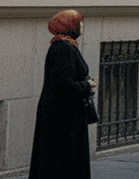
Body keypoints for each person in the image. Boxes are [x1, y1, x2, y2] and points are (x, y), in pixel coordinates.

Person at [29, 9, 97, 179]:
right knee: (63, 159)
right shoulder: (63, 49)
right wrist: (87, 85)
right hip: (63, 117)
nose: (81, 25)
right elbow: (65, 85)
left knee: (60, 158)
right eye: (78, 21)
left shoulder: (65, 46)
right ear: (68, 26)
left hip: (63, 114)